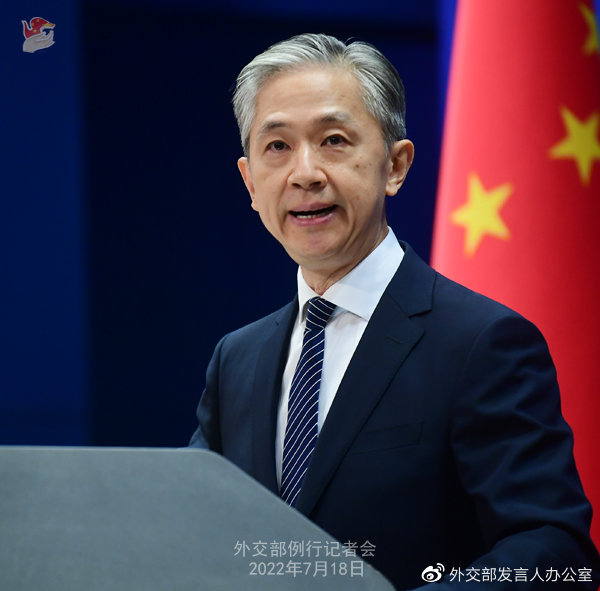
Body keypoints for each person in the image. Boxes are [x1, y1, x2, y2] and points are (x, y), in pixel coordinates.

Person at [189, 33, 599, 589]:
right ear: (251, 183)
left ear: (395, 165)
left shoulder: (484, 343)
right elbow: (193, 533)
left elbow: (555, 551)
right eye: (277, 147)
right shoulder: (237, 359)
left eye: (333, 140)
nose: (304, 173)